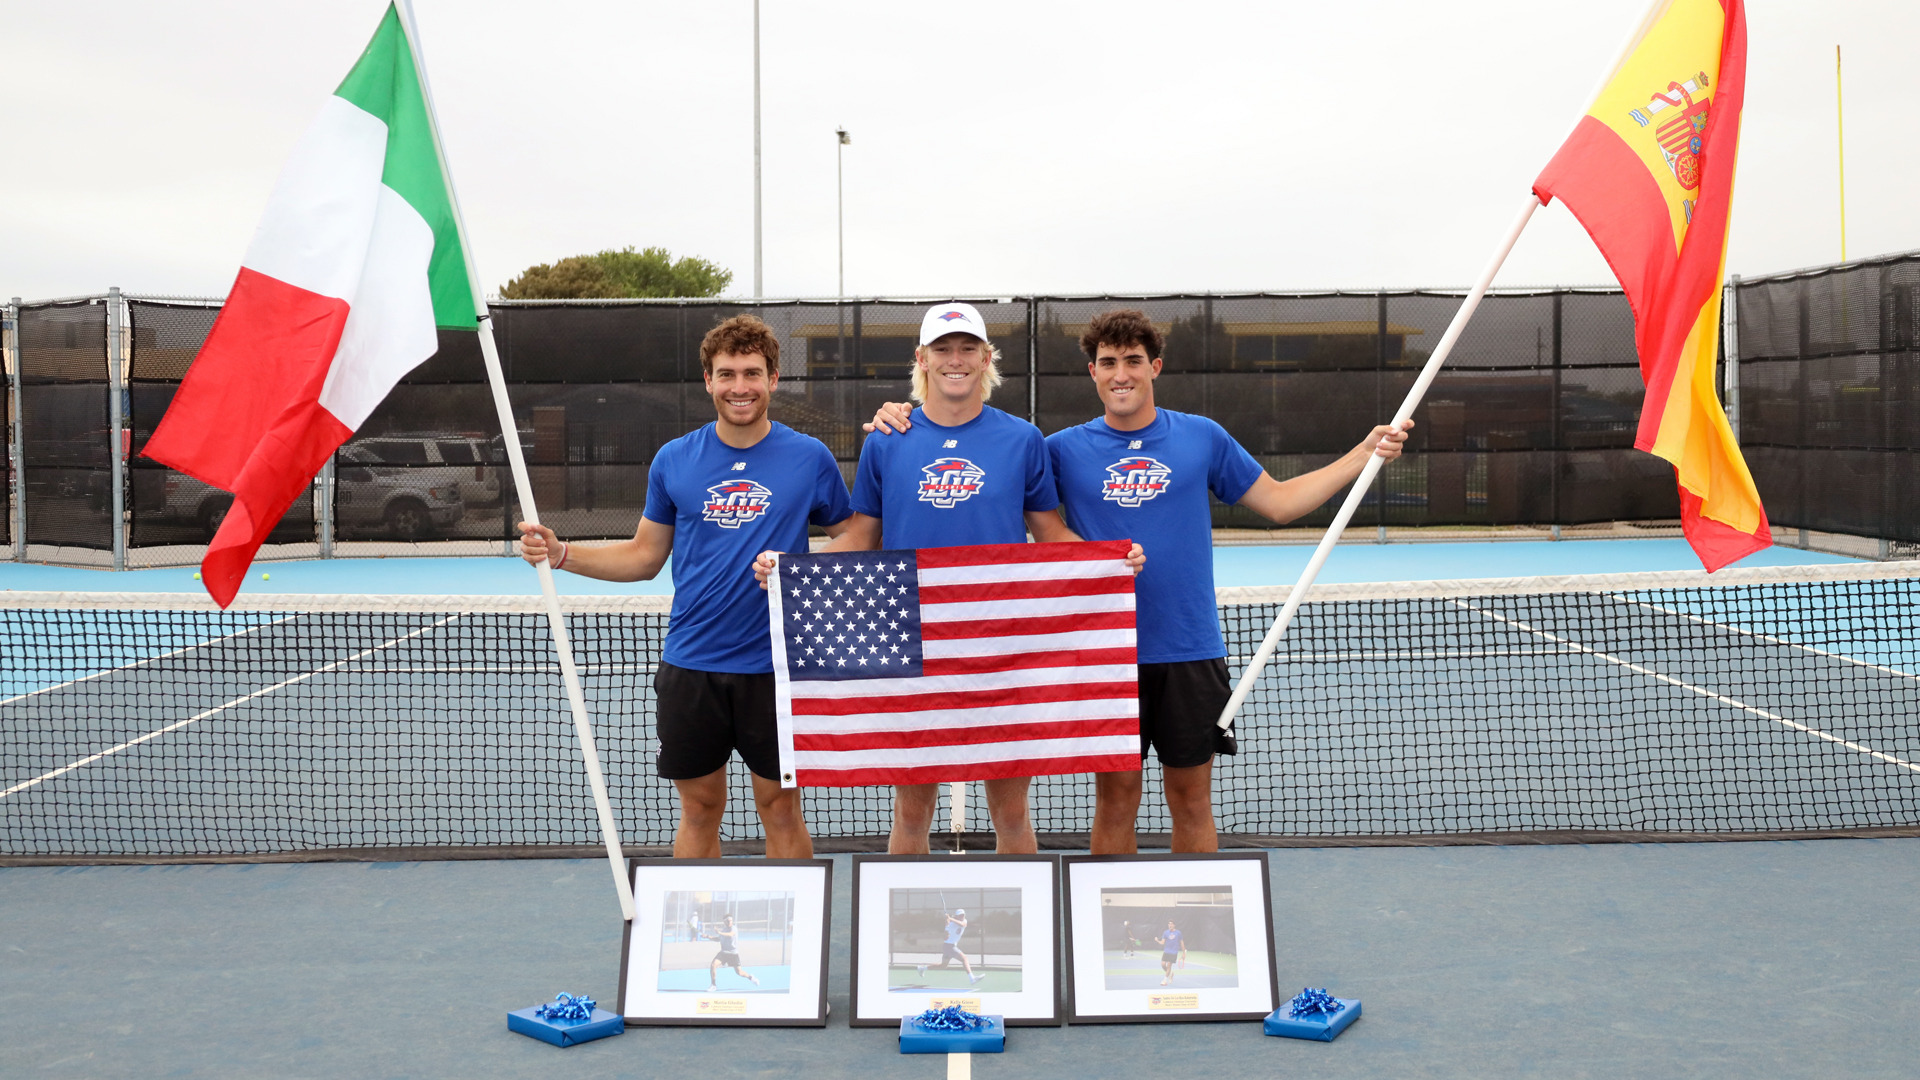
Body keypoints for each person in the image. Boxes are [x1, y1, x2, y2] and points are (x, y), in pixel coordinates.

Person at [864, 308, 1407, 853]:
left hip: (1188, 648)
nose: (1121, 373)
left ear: (1156, 367)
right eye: (1108, 363)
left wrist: (1362, 456)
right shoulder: (1056, 449)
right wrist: (898, 414)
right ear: (1093, 375)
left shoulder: (1202, 438)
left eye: (1132, 361)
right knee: (1115, 800)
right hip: (1103, 651)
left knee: (1192, 800)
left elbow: (1281, 502)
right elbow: (1041, 527)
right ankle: (1108, 937)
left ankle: (1193, 930)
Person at [754, 302, 1141, 855]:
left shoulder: (1022, 439)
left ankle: (1021, 933)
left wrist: (1112, 562)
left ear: (986, 359)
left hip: (1004, 644)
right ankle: (901, 938)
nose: (954, 360)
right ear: (922, 359)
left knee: (1010, 810)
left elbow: (1050, 532)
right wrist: (788, 568)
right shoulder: (888, 438)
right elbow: (862, 536)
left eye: (966, 349)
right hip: (912, 640)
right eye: (942, 349)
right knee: (912, 811)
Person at [520, 314, 851, 859]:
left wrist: (800, 566)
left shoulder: (809, 457)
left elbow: (857, 533)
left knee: (781, 809)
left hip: (777, 667)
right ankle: (698, 941)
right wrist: (561, 554)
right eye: (726, 374)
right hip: (692, 665)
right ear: (708, 380)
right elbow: (645, 556)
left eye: (751, 373)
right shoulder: (674, 459)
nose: (739, 387)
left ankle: (794, 940)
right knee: (699, 809)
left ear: (773, 379)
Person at [916, 907, 982, 984]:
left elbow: (962, 924)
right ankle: (972, 978)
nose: (962, 916)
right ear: (956, 916)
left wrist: (950, 918)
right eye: (960, 915)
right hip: (949, 946)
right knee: (964, 958)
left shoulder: (964, 921)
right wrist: (947, 924)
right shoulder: (950, 924)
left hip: (950, 947)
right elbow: (945, 937)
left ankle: (922, 968)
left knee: (943, 966)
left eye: (963, 915)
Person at [708, 914, 761, 991]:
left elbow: (730, 935)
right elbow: (719, 939)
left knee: (739, 972)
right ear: (725, 922)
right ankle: (713, 985)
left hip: (733, 954)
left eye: (731, 920)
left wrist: (719, 932)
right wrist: (708, 937)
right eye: (728, 921)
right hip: (723, 953)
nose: (730, 922)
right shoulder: (724, 930)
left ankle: (751, 978)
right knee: (713, 965)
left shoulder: (734, 928)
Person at [1155, 919, 1188, 986]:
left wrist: (1184, 953)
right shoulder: (1165, 932)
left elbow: (1181, 943)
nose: (1170, 925)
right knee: (1163, 964)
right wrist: (1157, 941)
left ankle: (1164, 980)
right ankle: (1170, 974)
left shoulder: (1178, 933)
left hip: (1174, 952)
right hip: (1166, 951)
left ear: (1174, 925)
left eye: (1171, 924)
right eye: (1169, 924)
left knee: (1169, 965)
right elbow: (1162, 942)